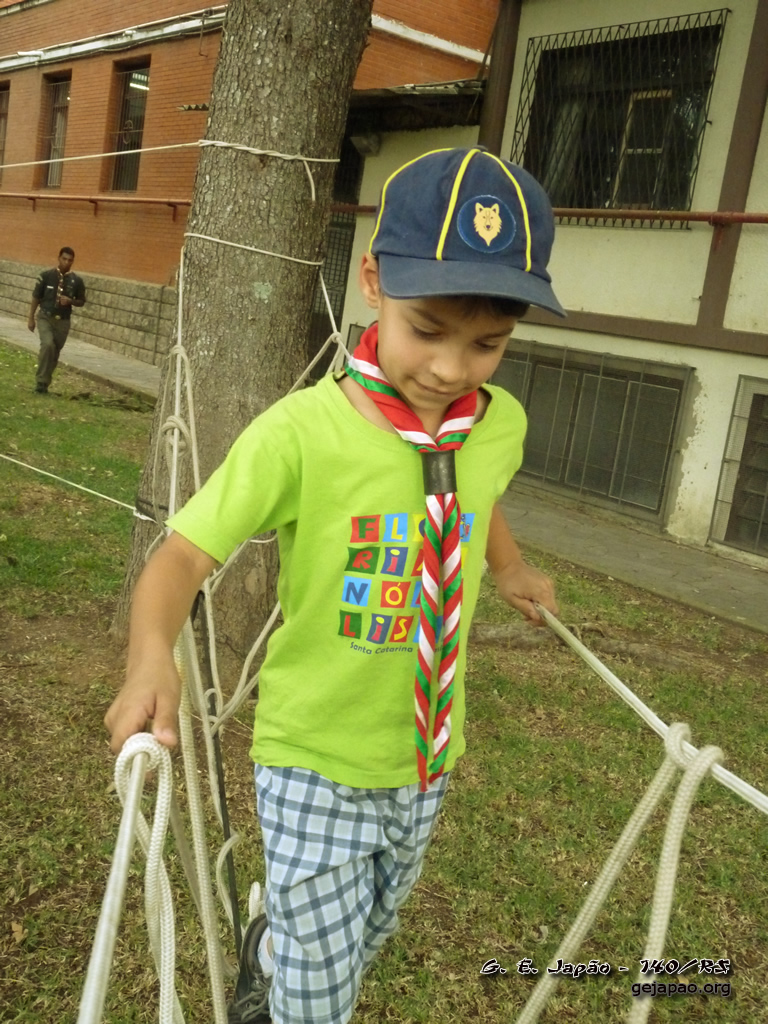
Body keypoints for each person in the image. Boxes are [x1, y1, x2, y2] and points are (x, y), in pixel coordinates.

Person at [105, 146, 565, 1024]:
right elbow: (182, 557)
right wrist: (151, 652)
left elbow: (477, 492)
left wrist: (507, 565)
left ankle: (272, 947)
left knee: (361, 943)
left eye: (488, 345)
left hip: (426, 755)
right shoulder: (301, 434)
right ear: (373, 281)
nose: (450, 369)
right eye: (427, 329)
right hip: (312, 759)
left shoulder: (497, 423)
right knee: (321, 1001)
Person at [28, 246, 86, 393]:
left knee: (54, 352)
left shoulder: (76, 281)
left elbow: (81, 301)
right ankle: (40, 382)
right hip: (45, 317)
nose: (66, 262)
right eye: (64, 259)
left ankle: (44, 384)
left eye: (70, 260)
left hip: (63, 321)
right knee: (47, 345)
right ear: (59, 258)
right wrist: (31, 318)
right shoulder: (46, 276)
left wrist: (71, 301)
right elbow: (36, 297)